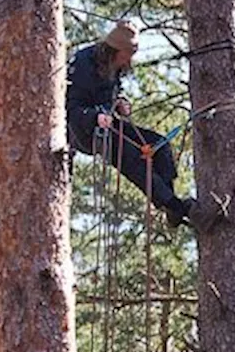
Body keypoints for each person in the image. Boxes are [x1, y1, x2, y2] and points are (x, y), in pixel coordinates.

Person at [67, 20, 198, 228]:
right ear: (115, 50)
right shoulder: (84, 63)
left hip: (108, 123)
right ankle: (175, 205)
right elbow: (70, 109)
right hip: (82, 130)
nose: (129, 60)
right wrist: (94, 117)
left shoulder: (115, 65)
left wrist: (120, 103)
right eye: (127, 55)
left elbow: (114, 92)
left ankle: (170, 203)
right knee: (130, 154)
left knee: (159, 144)